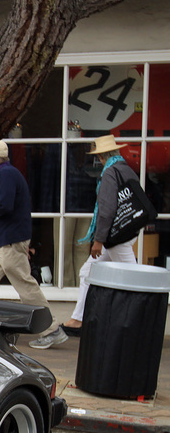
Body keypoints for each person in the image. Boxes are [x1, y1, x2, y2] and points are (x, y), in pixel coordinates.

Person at [0, 140, 66, 349]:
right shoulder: (4, 174)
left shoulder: (6, 175)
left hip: (9, 242)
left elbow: (4, 206)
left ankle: (52, 329)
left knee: (24, 284)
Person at [55, 135, 140, 340]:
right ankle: (77, 318)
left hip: (114, 237)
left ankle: (139, 323)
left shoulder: (110, 173)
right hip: (126, 232)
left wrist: (99, 239)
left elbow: (107, 209)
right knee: (86, 272)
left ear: (102, 156)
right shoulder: (126, 169)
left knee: (134, 280)